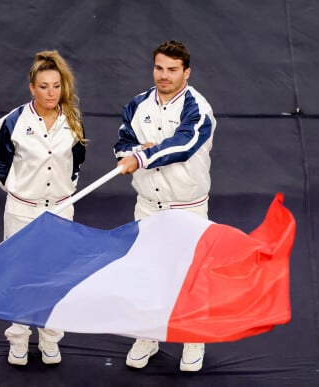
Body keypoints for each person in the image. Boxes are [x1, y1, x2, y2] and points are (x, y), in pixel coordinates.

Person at [114, 40, 217, 372]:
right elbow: (122, 143)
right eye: (159, 68)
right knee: (147, 274)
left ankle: (193, 337)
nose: (164, 75)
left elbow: (184, 145)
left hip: (187, 207)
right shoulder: (137, 104)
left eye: (173, 70)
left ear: (186, 72)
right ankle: (149, 335)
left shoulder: (198, 109)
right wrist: (131, 152)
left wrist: (143, 155)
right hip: (147, 206)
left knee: (189, 274)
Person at [0, 50, 86, 366]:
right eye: (44, 86)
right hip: (22, 210)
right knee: (19, 274)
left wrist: (63, 192)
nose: (51, 93)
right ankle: (18, 337)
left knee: (55, 275)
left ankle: (50, 338)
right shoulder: (14, 121)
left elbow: (77, 160)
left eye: (56, 86)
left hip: (58, 211)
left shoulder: (71, 121)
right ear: (32, 87)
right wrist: (15, 188)